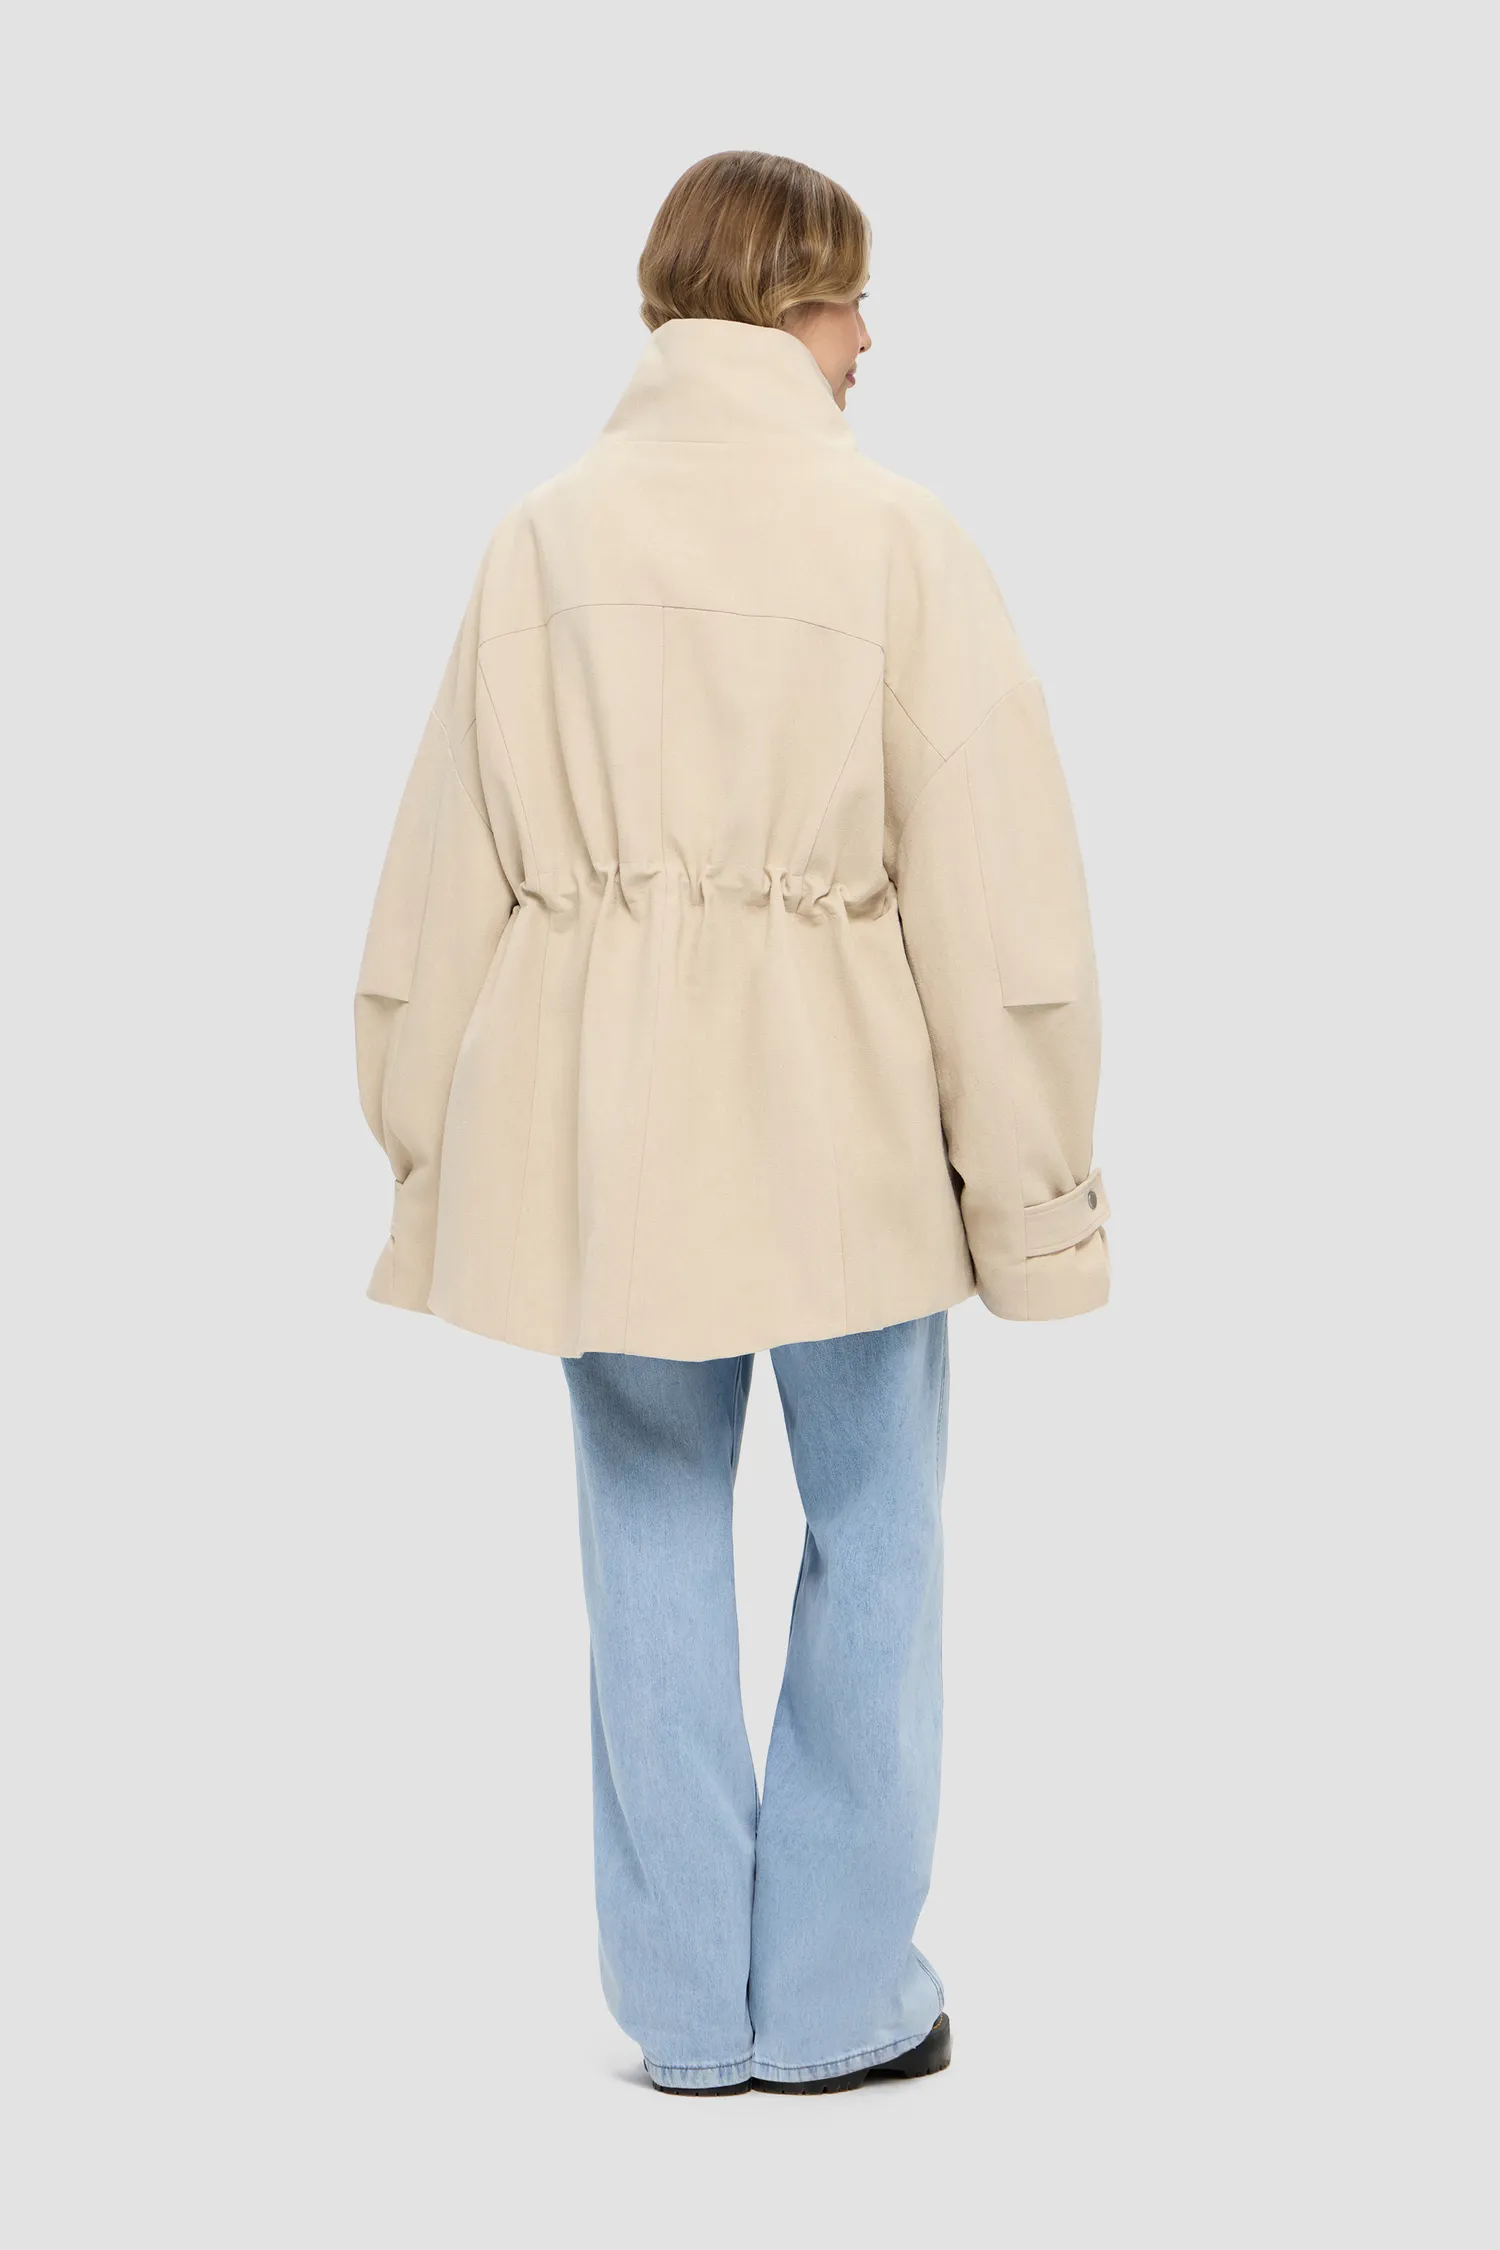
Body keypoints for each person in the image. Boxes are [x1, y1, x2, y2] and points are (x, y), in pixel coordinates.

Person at [354, 150, 1109, 2095]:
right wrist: (1031, 1186)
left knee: (647, 1534)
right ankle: (842, 1994)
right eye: (851, 297)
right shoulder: (898, 538)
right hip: (850, 1128)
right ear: (787, 301)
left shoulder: (540, 540)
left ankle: (689, 2004)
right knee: (881, 1533)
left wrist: (426, 1145)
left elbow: (440, 883)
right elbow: (1002, 908)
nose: (869, 339)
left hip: (597, 1132)